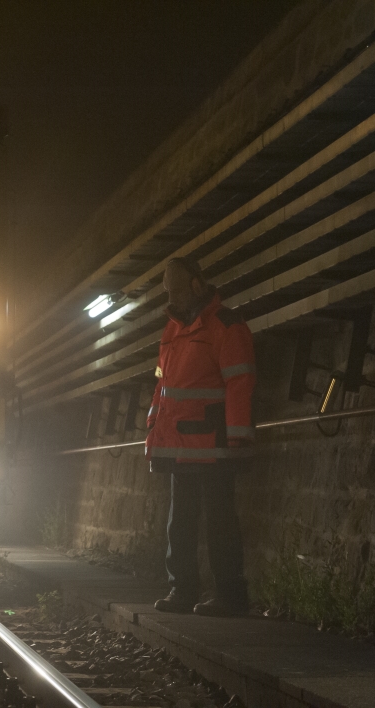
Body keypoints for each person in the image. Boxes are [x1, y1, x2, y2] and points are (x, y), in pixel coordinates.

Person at [145, 256, 255, 617]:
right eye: (167, 291)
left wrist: (237, 437)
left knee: (218, 520)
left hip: (213, 444)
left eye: (175, 290)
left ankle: (230, 593)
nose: (171, 299)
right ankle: (183, 589)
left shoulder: (226, 325)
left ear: (196, 285)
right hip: (181, 444)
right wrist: (153, 431)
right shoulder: (173, 330)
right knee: (182, 521)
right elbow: (164, 385)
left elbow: (240, 381)